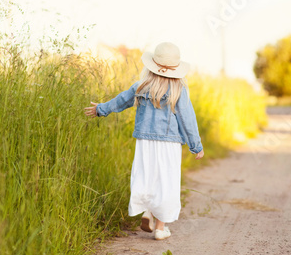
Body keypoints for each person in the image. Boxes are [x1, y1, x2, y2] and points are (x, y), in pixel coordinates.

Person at [84, 42, 204, 240]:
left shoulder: (142, 85)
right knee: (166, 180)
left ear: (153, 64)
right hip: (169, 143)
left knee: (147, 176)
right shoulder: (178, 88)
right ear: (176, 68)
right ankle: (160, 228)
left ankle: (148, 211)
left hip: (144, 141)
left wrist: (101, 109)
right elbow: (187, 118)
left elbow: (121, 100)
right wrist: (195, 146)